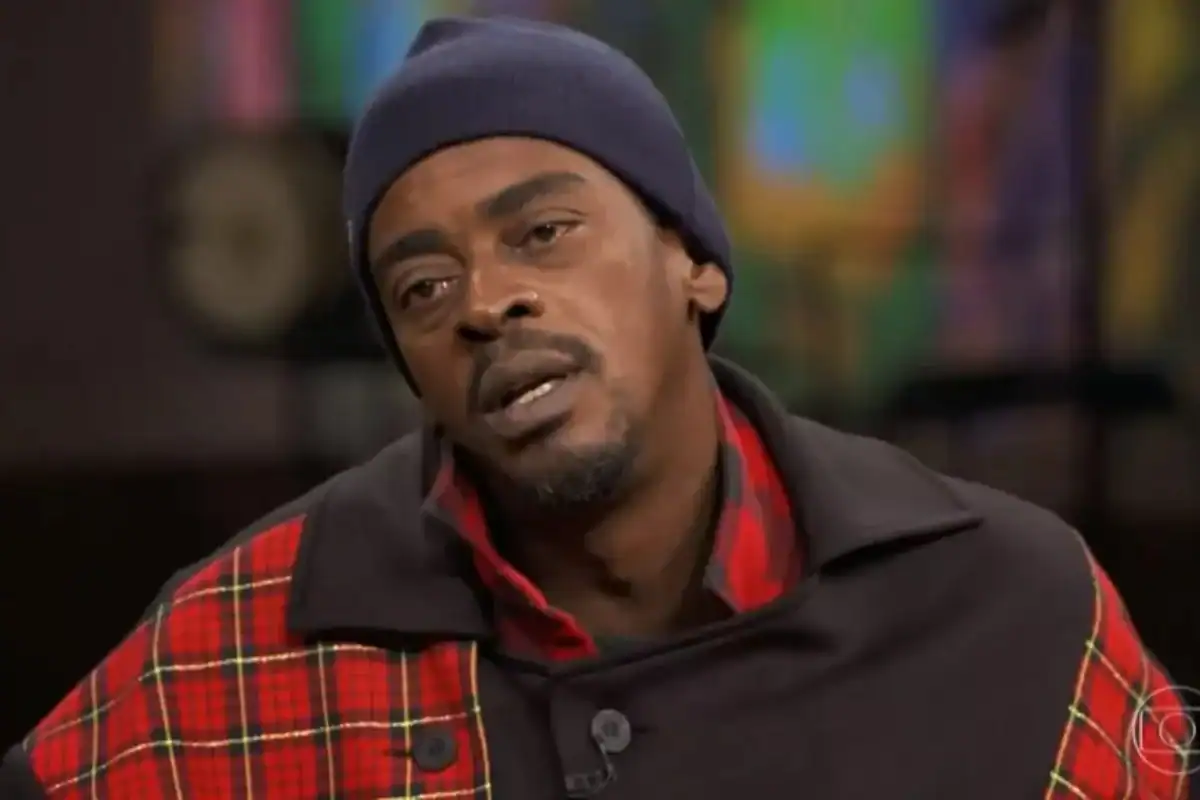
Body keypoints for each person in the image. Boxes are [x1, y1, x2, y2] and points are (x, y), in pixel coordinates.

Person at [1, 16, 1191, 800]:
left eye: (544, 231)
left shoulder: (1008, 604)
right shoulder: (241, 643)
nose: (487, 301)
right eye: (424, 287)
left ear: (695, 263)